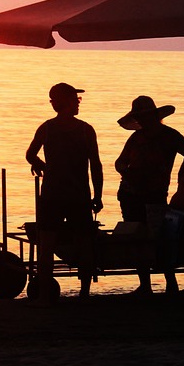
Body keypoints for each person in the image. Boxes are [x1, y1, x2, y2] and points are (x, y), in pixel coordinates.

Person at [25, 82, 104, 300]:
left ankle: (43, 295)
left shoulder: (47, 128)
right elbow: (95, 165)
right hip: (77, 195)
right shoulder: (85, 130)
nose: (79, 103)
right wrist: (97, 195)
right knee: (83, 244)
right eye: (76, 100)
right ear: (67, 102)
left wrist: (41, 166)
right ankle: (84, 293)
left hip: (52, 195)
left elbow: (30, 154)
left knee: (47, 245)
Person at [114, 95, 184, 294]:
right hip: (131, 193)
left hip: (155, 194)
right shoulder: (136, 138)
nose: (142, 120)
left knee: (160, 237)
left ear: (153, 115)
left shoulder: (170, 135)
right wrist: (126, 173)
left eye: (145, 116)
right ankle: (145, 285)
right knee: (137, 237)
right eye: (139, 117)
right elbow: (120, 162)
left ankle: (171, 283)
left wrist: (182, 176)